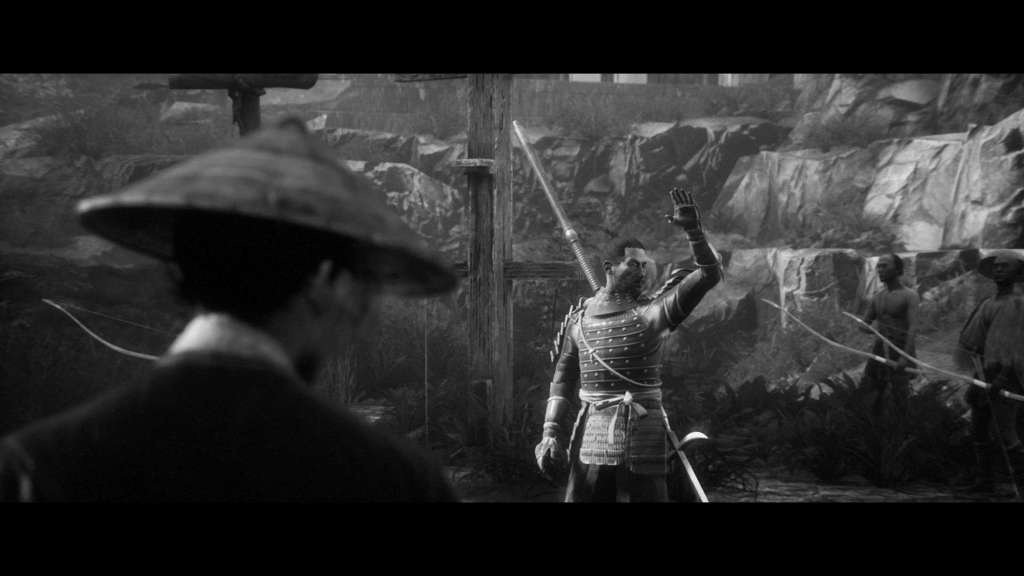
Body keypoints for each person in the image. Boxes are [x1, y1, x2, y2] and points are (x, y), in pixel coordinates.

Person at [0, 118, 459, 502]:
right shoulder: (391, 481)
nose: (365, 317)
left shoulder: (35, 466)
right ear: (323, 282)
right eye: (363, 286)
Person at [534, 188, 721, 502]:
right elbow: (562, 380)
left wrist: (694, 232)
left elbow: (709, 274)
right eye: (634, 265)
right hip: (591, 433)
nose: (643, 272)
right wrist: (550, 432)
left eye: (645, 266)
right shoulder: (579, 321)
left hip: (644, 432)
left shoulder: (653, 315)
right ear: (609, 268)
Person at [957, 249, 1024, 494]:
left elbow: (1015, 345)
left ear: (1017, 272)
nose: (998, 269)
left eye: (1005, 266)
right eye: (996, 266)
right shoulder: (988, 302)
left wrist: (1003, 378)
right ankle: (985, 480)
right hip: (984, 371)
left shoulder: (1017, 304)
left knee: (1006, 432)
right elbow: (975, 338)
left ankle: (1020, 485)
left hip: (1008, 374)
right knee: (979, 427)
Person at [857, 253, 919, 417]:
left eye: (885, 266)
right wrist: (865, 327)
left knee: (900, 397)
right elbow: (865, 324)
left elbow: (913, 327)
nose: (880, 269)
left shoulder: (909, 295)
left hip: (899, 351)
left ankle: (903, 428)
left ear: (898, 269)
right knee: (871, 394)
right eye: (878, 266)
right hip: (879, 352)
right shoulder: (878, 296)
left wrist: (905, 357)